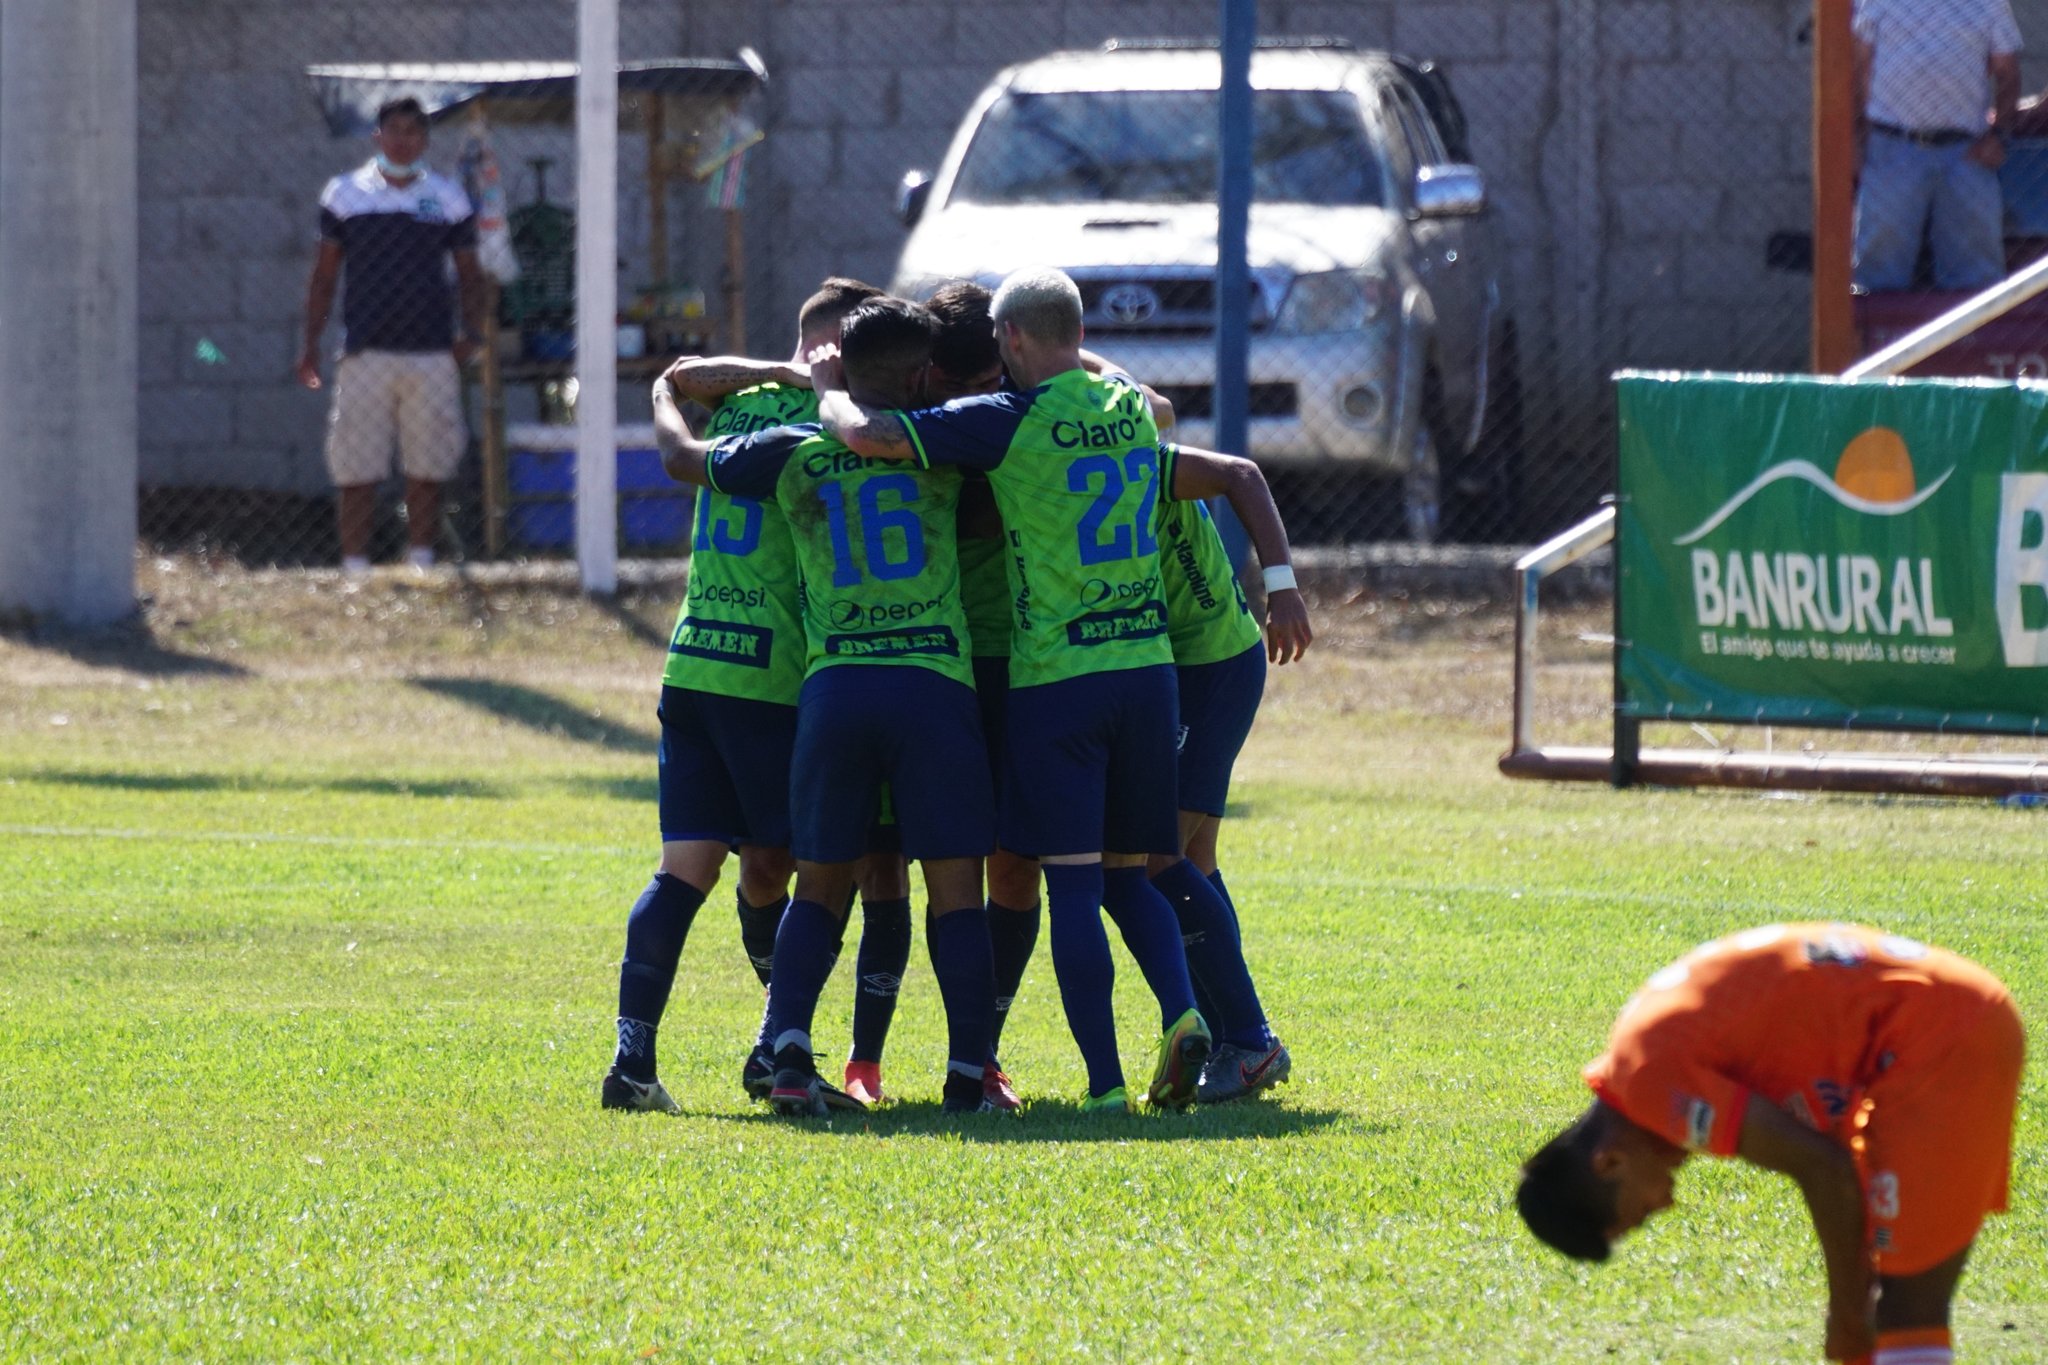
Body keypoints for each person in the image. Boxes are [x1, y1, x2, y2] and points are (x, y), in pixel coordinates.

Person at [816, 267, 1295, 1113]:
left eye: (984, 375)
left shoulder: (1008, 425)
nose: (963, 397)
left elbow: (876, 436)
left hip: (1110, 668)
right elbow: (1175, 425)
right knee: (1121, 869)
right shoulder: (1112, 407)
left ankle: (1189, 1055)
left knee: (1109, 870)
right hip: (1136, 667)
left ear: (1006, 352)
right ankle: (1171, 1033)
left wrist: (820, 383)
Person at [667, 297, 1001, 1116]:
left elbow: (683, 459)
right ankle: (969, 1074)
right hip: (931, 685)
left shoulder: (793, 451)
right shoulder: (947, 442)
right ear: (924, 377)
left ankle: (786, 1053)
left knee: (819, 887)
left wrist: (663, 392)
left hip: (837, 690)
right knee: (955, 886)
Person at [599, 278, 879, 1115]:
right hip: (774, 675)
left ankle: (634, 1061)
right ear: (839, 351)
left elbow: (684, 378)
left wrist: (787, 374)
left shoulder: (739, 405)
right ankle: (776, 1043)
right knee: (820, 870)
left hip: (694, 663)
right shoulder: (815, 430)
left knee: (695, 869)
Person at [1517, 923, 2025, 1365]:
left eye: (1644, 1211)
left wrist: (1845, 1306)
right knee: (1882, 1306)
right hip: (1935, 1021)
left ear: (1609, 1163)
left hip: (1941, 1039)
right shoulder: (1634, 1064)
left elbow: (1825, 1168)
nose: (1667, 1202)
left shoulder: (1657, 1088)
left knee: (1905, 1309)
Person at [1146, 448, 1312, 1103]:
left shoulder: (1118, 429)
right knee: (1191, 855)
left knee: (1157, 857)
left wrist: (1283, 585)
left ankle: (1248, 1038)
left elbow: (1241, 471)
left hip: (1212, 663)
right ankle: (1229, 1037)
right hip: (1180, 667)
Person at [296, 97, 484, 575]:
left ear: (425, 140)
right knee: (356, 467)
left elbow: (468, 273)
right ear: (377, 137)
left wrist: (472, 333)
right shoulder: (344, 194)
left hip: (431, 353)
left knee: (428, 464)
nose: (403, 140)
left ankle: (421, 560)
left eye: (413, 132)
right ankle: (355, 569)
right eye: (394, 130)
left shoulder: (448, 198)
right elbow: (324, 276)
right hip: (365, 352)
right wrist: (310, 344)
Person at [1854, 0, 2023, 291]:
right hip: (1892, 148)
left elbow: (2008, 71)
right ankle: (1878, 336)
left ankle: (1975, 336)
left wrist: (1999, 137)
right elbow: (1857, 68)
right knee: (1878, 273)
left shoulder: (1988, 3)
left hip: (1967, 154)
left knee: (1977, 276)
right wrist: (1854, 140)